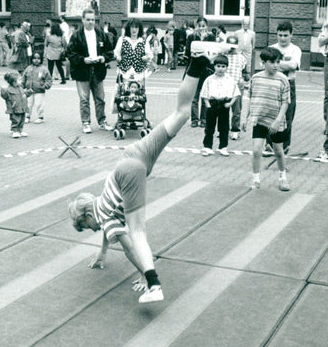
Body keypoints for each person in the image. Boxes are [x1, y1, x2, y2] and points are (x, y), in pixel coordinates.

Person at [67, 51, 217, 304]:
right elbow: (105, 228)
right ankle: (196, 64)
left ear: (87, 216)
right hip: (134, 153)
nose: (93, 230)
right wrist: (103, 252)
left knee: (137, 232)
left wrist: (142, 274)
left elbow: (127, 247)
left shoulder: (103, 216)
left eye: (87, 227)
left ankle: (154, 284)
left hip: (130, 171)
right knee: (181, 113)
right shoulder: (99, 205)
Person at [242, 47, 291, 191]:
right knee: (256, 150)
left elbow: (285, 102)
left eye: (278, 62)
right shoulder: (256, 78)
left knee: (278, 151)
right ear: (263, 62)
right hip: (259, 120)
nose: (276, 65)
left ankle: (283, 177)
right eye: (272, 62)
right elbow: (248, 97)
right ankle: (256, 179)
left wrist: (278, 121)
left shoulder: (283, 79)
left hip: (276, 122)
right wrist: (245, 117)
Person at [66, 8, 114, 134]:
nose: (91, 22)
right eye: (88, 19)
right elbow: (69, 52)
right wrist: (83, 60)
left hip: (98, 69)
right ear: (83, 20)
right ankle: (86, 122)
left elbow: (109, 51)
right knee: (84, 99)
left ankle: (102, 121)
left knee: (100, 98)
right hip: (82, 71)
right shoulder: (76, 35)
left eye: (93, 19)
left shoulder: (101, 34)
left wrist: (104, 58)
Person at [268, 21, 301, 153]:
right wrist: (284, 65)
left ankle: (284, 146)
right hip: (272, 84)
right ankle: (269, 145)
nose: (282, 38)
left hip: (288, 84)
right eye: (280, 35)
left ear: (291, 35)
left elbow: (293, 65)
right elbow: (265, 66)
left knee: (287, 116)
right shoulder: (271, 48)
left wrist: (274, 63)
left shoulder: (295, 49)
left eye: (285, 35)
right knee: (270, 114)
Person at [199, 54, 240, 157]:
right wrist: (208, 105)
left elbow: (236, 93)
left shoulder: (230, 79)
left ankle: (223, 147)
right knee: (209, 127)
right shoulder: (209, 79)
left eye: (223, 66)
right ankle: (207, 146)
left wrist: (230, 103)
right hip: (212, 103)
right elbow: (204, 93)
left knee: (224, 127)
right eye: (218, 66)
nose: (220, 69)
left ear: (226, 67)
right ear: (214, 66)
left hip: (224, 104)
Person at [185, 17, 217, 128]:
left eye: (203, 26)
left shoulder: (211, 37)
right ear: (196, 27)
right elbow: (188, 53)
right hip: (194, 69)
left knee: (205, 96)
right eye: (199, 26)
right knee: (194, 97)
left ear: (207, 26)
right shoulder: (191, 37)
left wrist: (204, 41)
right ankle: (194, 119)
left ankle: (204, 119)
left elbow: (213, 52)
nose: (201, 28)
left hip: (207, 69)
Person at [224, 35, 248, 140]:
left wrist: (244, 78)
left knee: (237, 110)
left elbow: (245, 72)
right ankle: (223, 130)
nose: (231, 48)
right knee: (223, 110)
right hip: (224, 86)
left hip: (237, 87)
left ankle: (235, 130)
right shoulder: (223, 56)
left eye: (233, 45)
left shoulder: (241, 58)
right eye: (229, 45)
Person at [22, 52, 52, 124]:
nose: (36, 60)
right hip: (29, 90)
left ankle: (40, 117)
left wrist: (45, 86)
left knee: (39, 104)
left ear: (41, 59)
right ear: (31, 59)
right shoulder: (28, 68)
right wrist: (22, 86)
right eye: (34, 58)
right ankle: (27, 117)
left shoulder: (44, 69)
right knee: (28, 104)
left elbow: (49, 80)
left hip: (39, 90)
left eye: (38, 58)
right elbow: (23, 78)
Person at [1, 72, 29, 139]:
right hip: (14, 108)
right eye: (19, 80)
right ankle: (14, 131)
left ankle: (20, 130)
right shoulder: (8, 89)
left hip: (22, 107)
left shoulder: (20, 88)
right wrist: (1, 90)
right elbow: (4, 96)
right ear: (13, 82)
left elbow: (24, 95)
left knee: (22, 120)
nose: (21, 81)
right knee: (15, 120)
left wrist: (28, 93)